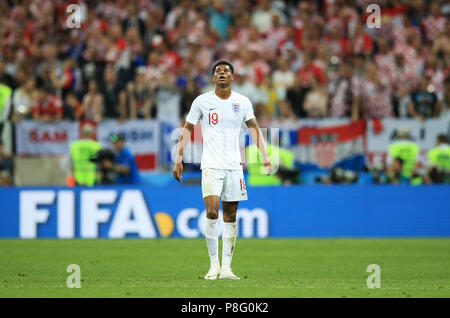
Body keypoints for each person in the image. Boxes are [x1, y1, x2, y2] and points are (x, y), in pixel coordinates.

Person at [172, 61, 272, 280]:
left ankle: (227, 268)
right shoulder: (202, 101)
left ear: (232, 77)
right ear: (213, 78)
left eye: (226, 71)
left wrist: (265, 156)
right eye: (218, 71)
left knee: (230, 215)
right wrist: (178, 158)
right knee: (212, 211)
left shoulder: (242, 102)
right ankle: (213, 265)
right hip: (210, 165)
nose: (222, 73)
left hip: (234, 166)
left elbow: (254, 128)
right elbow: (187, 129)